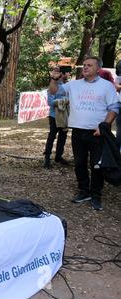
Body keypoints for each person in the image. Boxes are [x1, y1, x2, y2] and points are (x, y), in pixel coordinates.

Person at [49, 56, 119, 211]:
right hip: (78, 131)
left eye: (90, 65)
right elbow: (54, 93)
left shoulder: (107, 86)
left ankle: (96, 195)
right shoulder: (73, 85)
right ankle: (84, 191)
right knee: (79, 163)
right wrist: (54, 79)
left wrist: (105, 126)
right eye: (84, 65)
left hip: (97, 132)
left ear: (98, 69)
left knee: (96, 165)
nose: (85, 67)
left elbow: (114, 108)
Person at [44, 66, 71, 168]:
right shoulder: (52, 86)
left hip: (65, 116)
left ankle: (59, 157)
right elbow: (50, 102)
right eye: (66, 73)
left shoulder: (68, 86)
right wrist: (65, 101)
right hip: (54, 116)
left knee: (63, 137)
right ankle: (47, 158)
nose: (68, 75)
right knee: (52, 136)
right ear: (61, 75)